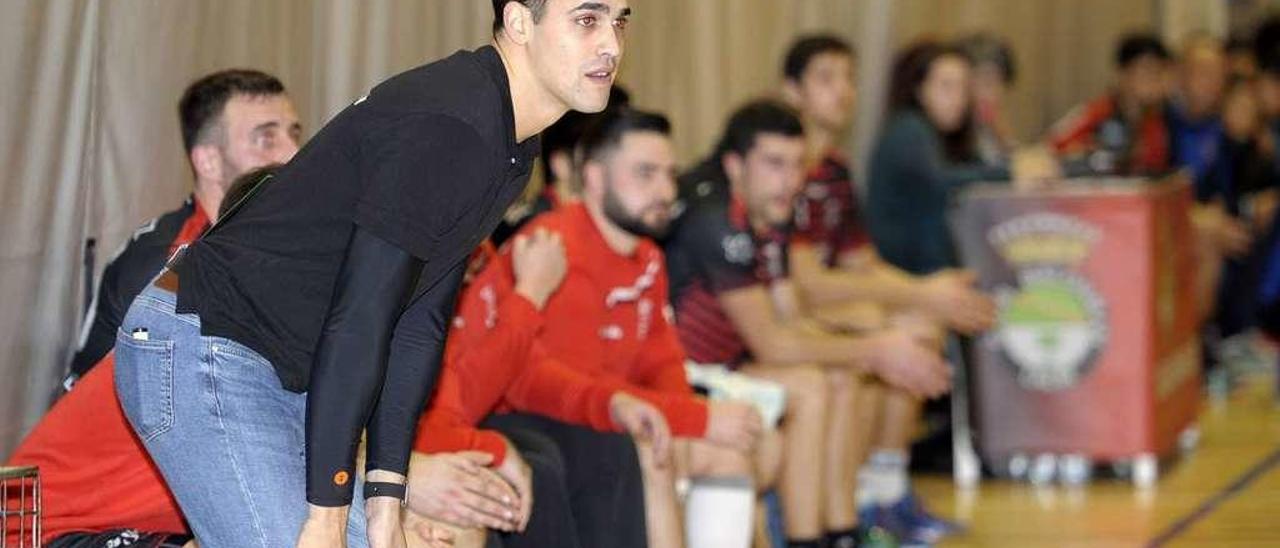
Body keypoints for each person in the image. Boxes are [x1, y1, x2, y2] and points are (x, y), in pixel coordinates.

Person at [111, 1, 633, 547]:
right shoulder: (452, 122)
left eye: (620, 20)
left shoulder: (509, 141)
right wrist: (327, 516)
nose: (612, 45)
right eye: (587, 19)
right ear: (520, 21)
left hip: (279, 366)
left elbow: (417, 321)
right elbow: (361, 318)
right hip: (206, 343)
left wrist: (387, 501)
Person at [454, 106, 766, 548]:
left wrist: (688, 421)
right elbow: (561, 387)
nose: (665, 190)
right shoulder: (555, 249)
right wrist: (693, 418)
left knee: (729, 451)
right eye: (645, 174)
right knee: (644, 447)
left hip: (604, 409)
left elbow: (662, 362)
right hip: (529, 413)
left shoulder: (648, 257)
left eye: (669, 174)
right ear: (596, 179)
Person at [668, 99, 953, 548]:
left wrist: (872, 340)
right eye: (775, 164)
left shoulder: (771, 207)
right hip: (685, 374)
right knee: (812, 384)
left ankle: (840, 530)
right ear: (734, 165)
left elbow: (791, 315)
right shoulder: (716, 219)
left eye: (798, 165)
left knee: (840, 374)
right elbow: (773, 345)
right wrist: (878, 349)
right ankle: (809, 538)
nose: (791, 180)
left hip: (727, 365)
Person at [779, 34, 990, 545]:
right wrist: (922, 298)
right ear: (792, 92)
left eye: (849, 78)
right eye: (826, 79)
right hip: (786, 315)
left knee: (918, 327)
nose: (843, 91)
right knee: (896, 337)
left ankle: (883, 494)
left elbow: (862, 262)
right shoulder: (785, 166)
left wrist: (927, 293)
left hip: (827, 307)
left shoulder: (835, 168)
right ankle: (858, 502)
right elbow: (805, 284)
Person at [65, 69, 301, 388]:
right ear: (209, 162)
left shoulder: (286, 244)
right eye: (266, 139)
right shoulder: (165, 260)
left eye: (295, 134)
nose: (295, 154)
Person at [1049, 32, 1175, 176]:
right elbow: (1049, 150)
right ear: (1121, 74)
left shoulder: (1157, 123)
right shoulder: (1095, 113)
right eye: (1147, 71)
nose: (1154, 81)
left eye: (1159, 73)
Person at [961, 33, 1019, 166]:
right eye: (986, 83)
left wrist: (1003, 140)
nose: (993, 94)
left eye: (999, 83)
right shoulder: (950, 132)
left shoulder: (990, 126)